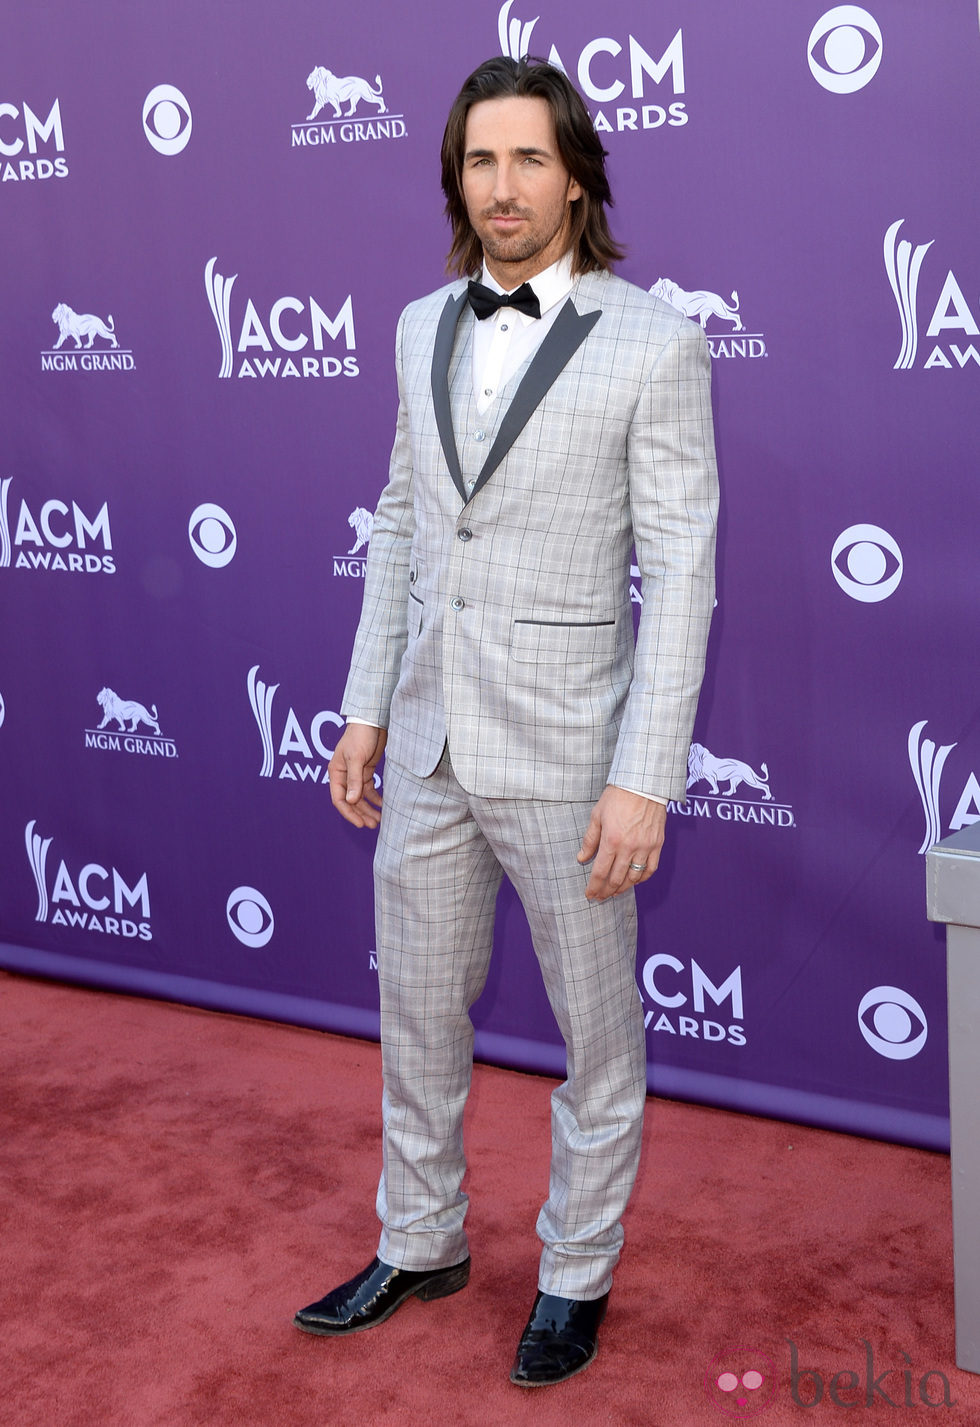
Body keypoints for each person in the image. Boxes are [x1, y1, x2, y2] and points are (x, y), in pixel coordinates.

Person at [294, 55, 718, 1388]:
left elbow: (685, 571)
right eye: (481, 161)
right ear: (456, 179)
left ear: (579, 174)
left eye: (529, 158)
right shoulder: (423, 326)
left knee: (598, 1041)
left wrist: (644, 778)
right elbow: (405, 527)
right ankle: (419, 1240)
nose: (503, 187)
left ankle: (575, 1274)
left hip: (568, 754)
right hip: (425, 746)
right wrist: (366, 707)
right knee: (417, 1019)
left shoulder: (657, 340)